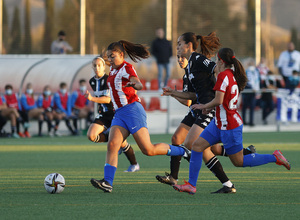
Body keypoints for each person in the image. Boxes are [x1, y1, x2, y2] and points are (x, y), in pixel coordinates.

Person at [173, 47, 291, 195]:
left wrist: (204, 106)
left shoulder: (223, 76)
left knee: (238, 162)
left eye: (217, 60)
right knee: (196, 146)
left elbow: (218, 100)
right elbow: (223, 102)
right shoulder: (229, 74)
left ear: (222, 62)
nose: (215, 63)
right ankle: (191, 185)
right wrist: (209, 109)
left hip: (230, 126)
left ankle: (275, 157)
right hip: (218, 124)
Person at [156, 32, 255, 194]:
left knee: (193, 146)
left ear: (189, 46)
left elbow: (217, 68)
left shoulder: (198, 59)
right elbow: (190, 97)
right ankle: (226, 183)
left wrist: (218, 92)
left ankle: (171, 163)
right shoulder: (188, 69)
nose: (178, 48)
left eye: (180, 44)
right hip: (196, 109)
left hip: (207, 108)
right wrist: (172, 93)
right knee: (188, 142)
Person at [90, 40, 190, 193]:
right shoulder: (114, 69)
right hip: (119, 114)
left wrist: (134, 85)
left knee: (148, 150)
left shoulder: (127, 68)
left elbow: (138, 84)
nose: (110, 60)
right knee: (112, 144)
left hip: (132, 111)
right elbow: (105, 61)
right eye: (108, 57)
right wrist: (104, 58)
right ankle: (107, 182)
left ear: (121, 55)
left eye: (113, 56)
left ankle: (183, 151)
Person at [86, 56, 140, 172]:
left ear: (104, 67)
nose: (97, 68)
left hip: (115, 113)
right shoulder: (92, 81)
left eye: (99, 65)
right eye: (94, 65)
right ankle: (115, 139)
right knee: (91, 135)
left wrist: (92, 98)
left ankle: (134, 164)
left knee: (123, 143)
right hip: (103, 114)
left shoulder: (108, 79)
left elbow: (107, 99)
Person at [242, 59, 260, 126]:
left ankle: (251, 121)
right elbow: (247, 80)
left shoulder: (256, 71)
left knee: (252, 106)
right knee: (245, 106)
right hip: (248, 90)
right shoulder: (246, 71)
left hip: (253, 91)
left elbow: (257, 81)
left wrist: (257, 90)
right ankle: (244, 120)